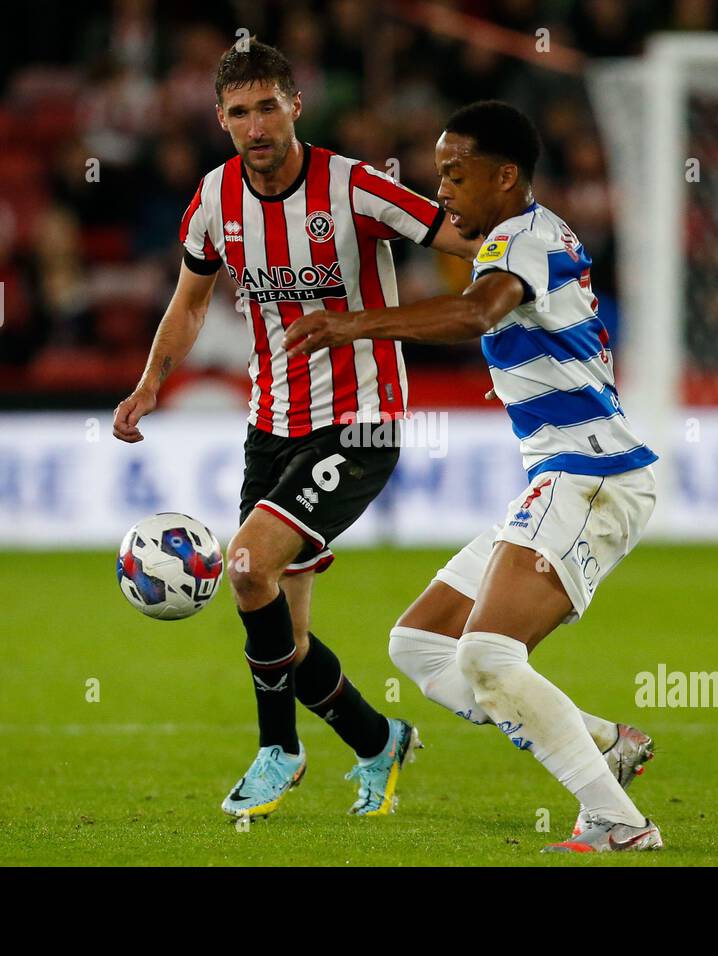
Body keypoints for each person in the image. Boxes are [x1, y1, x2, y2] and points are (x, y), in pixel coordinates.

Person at [112, 40, 480, 820]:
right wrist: (150, 383)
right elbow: (188, 303)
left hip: (362, 422)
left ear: (295, 105)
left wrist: (535, 250)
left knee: (245, 566)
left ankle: (277, 750)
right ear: (220, 119)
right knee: (288, 632)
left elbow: (459, 235)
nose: (256, 125)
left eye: (268, 107)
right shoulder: (213, 200)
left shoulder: (353, 187)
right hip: (272, 425)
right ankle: (380, 741)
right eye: (239, 112)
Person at [284, 100, 662, 852]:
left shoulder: (521, 240)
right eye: (439, 173)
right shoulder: (520, 237)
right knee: (419, 644)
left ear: (506, 175)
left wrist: (351, 322)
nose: (443, 189)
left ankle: (618, 820)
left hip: (591, 475)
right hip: (559, 479)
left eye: (456, 174)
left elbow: (475, 313)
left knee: (488, 656)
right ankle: (599, 742)